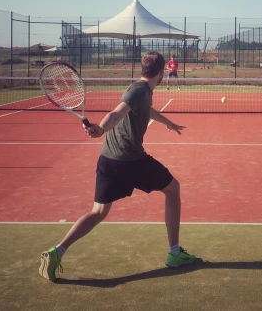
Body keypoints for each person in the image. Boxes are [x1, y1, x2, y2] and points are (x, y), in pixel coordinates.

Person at [39, 51, 196, 282]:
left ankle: (57, 252)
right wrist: (102, 128)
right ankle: (174, 253)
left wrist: (168, 123)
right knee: (173, 189)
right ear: (162, 72)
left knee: (98, 212)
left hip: (108, 160)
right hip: (131, 160)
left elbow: (144, 109)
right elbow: (116, 113)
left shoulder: (140, 90)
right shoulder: (140, 90)